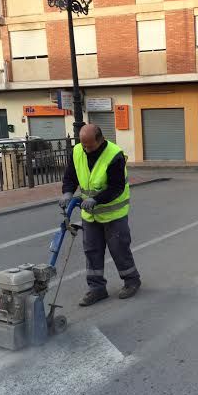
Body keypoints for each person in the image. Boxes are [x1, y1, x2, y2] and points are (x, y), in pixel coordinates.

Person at [60, 124, 141, 306]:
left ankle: (131, 281)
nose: (86, 149)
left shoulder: (114, 155)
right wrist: (67, 193)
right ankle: (96, 289)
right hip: (89, 216)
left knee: (119, 249)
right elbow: (70, 177)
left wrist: (97, 199)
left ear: (100, 140)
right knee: (92, 251)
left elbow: (116, 187)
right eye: (83, 145)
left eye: (89, 146)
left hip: (113, 213)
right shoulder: (77, 151)